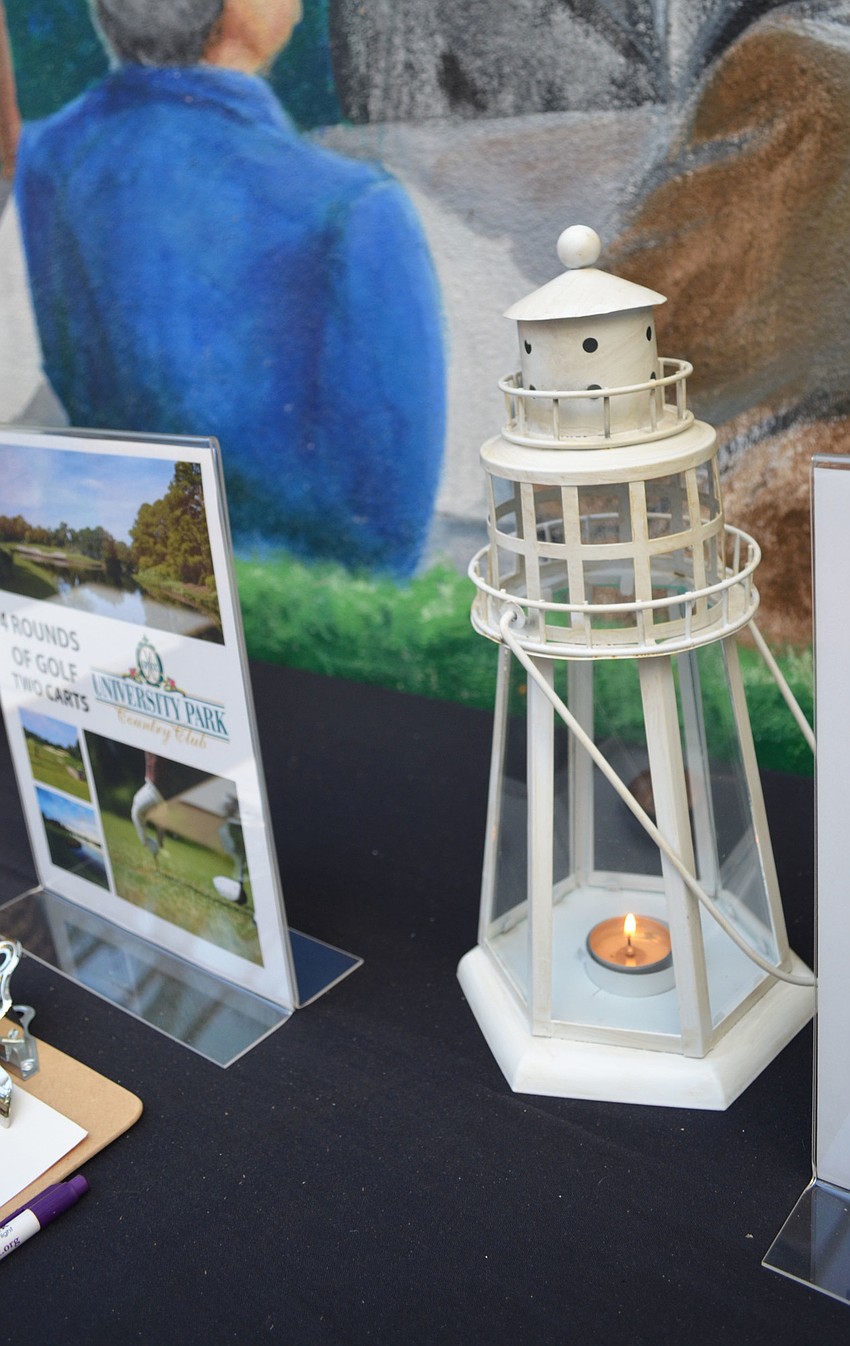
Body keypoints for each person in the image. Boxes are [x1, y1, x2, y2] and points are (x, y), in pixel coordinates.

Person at [14, 0, 446, 577]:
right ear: (242, 14)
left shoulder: (43, 158)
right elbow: (387, 539)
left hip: (124, 581)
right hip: (289, 631)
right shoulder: (354, 211)